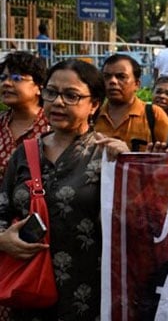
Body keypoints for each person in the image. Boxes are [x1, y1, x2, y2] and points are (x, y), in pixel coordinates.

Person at [0, 60, 128, 320]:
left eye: (71, 96)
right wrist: (2, 239)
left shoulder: (108, 156)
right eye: (51, 92)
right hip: (27, 292)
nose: (58, 102)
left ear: (94, 105)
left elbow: (134, 224)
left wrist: (131, 165)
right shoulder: (24, 153)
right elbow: (2, 207)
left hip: (87, 297)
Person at [94, 54, 168, 151]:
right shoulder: (93, 114)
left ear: (137, 84)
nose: (112, 81)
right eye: (107, 76)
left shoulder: (154, 115)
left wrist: (128, 156)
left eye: (121, 77)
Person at [0, 52, 50, 187]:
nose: (6, 83)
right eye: (3, 78)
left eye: (16, 78)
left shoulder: (52, 126)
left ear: (39, 87)